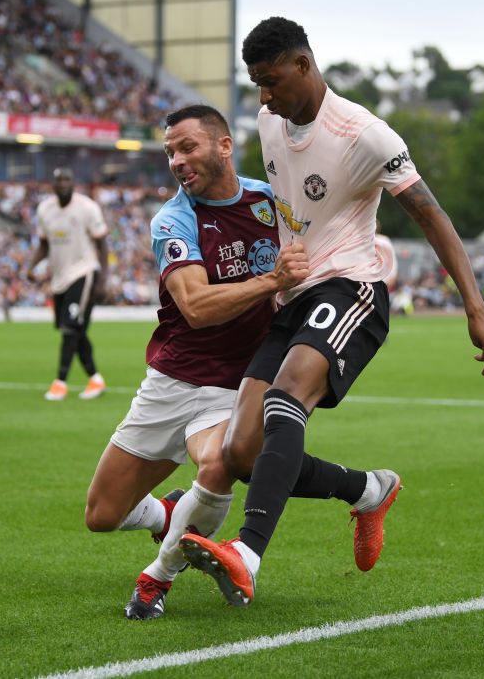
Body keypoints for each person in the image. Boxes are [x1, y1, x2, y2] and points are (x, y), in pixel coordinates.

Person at [179, 17, 484, 607]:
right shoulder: (268, 121)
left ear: (304, 64)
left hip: (351, 289)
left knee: (286, 399)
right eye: (256, 84)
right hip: (293, 297)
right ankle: (368, 491)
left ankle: (247, 553)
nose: (264, 96)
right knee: (241, 452)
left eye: (272, 80)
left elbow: (433, 217)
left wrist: (475, 310)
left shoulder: (366, 136)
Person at [83, 104, 308, 619]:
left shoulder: (271, 201)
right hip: (172, 381)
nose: (178, 161)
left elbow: (314, 245)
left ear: (224, 146)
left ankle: (156, 580)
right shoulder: (174, 219)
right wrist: (272, 282)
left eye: (188, 147)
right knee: (102, 515)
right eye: (170, 153)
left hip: (235, 385)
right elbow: (197, 308)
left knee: (219, 462)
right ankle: (169, 514)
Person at [27, 168, 109, 401]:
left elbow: (102, 244)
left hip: (84, 272)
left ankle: (60, 382)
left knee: (70, 328)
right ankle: (95, 379)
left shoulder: (87, 208)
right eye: (58, 180)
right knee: (76, 330)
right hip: (60, 278)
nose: (63, 184)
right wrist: (32, 267)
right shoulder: (45, 210)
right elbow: (44, 245)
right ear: (52, 185)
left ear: (74, 183)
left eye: (67, 180)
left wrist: (103, 280)